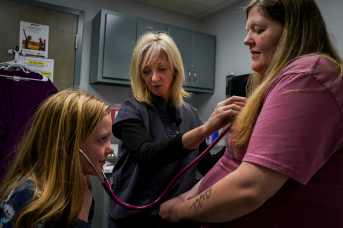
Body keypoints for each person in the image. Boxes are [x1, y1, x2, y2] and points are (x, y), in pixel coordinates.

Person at [159, 0, 343, 227]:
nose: (247, 40)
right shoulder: (278, 83)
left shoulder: (307, 75)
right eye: (248, 31)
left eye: (258, 30)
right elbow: (230, 162)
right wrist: (185, 197)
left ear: (293, 30)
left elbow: (251, 188)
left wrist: (180, 211)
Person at [108, 32, 247, 228]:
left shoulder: (190, 113)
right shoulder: (131, 110)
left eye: (161, 69)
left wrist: (241, 137)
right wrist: (207, 128)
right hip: (135, 219)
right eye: (146, 71)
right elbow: (147, 154)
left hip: (177, 218)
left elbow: (206, 164)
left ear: (175, 69)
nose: (154, 78)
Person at [0, 90, 114, 228]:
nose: (111, 149)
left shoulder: (79, 189)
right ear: (69, 144)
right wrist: (81, 217)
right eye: (102, 139)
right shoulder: (27, 198)